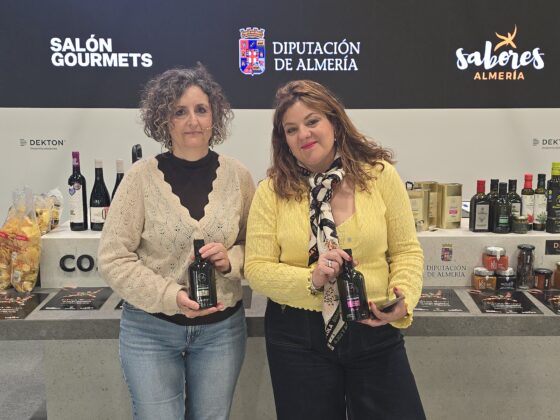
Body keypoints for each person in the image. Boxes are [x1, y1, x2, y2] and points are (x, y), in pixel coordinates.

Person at [244, 80, 426, 420]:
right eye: (291, 129)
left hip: (373, 325)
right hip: (298, 337)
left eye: (312, 121)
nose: (303, 134)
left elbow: (406, 252)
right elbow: (256, 268)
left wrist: (403, 297)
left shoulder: (380, 176)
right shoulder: (271, 192)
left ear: (334, 122)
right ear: (283, 140)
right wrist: (311, 278)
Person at [98, 65, 255, 420]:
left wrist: (231, 260)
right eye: (179, 111)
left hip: (221, 331)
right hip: (151, 329)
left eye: (201, 109)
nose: (192, 121)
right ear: (163, 119)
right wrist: (171, 296)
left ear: (215, 116)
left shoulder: (239, 177)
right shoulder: (140, 178)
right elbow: (113, 257)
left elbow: (257, 247)